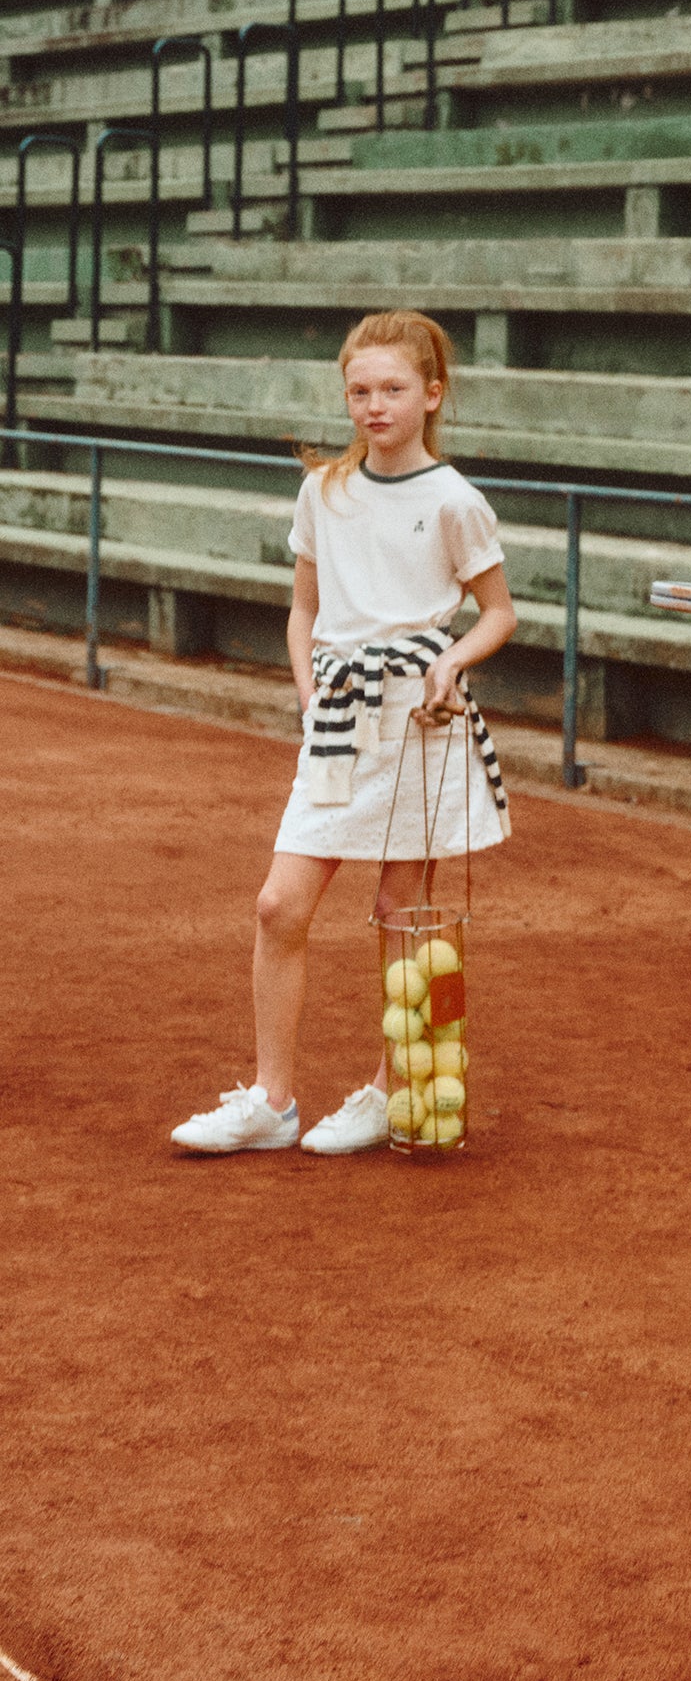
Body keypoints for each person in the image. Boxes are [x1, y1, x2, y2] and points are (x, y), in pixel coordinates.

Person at [172, 311, 518, 1158]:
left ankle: (390, 1092)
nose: (374, 405)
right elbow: (304, 609)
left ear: (431, 394)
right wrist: (305, 690)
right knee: (278, 903)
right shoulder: (322, 490)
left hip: (419, 726)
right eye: (359, 390)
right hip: (336, 718)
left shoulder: (454, 500)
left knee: (402, 913)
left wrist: (449, 666)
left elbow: (498, 611)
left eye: (393, 388)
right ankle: (272, 1100)